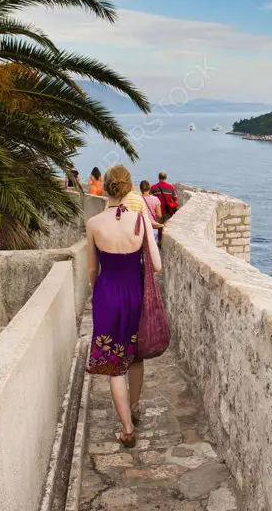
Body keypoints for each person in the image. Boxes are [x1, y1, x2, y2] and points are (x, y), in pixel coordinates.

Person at [85, 165, 162, 448]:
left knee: (114, 363)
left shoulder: (94, 224)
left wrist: (100, 292)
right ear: (129, 188)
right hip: (135, 294)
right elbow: (157, 265)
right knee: (136, 356)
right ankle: (134, 407)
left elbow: (92, 270)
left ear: (106, 188)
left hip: (107, 295)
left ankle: (127, 428)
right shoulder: (141, 220)